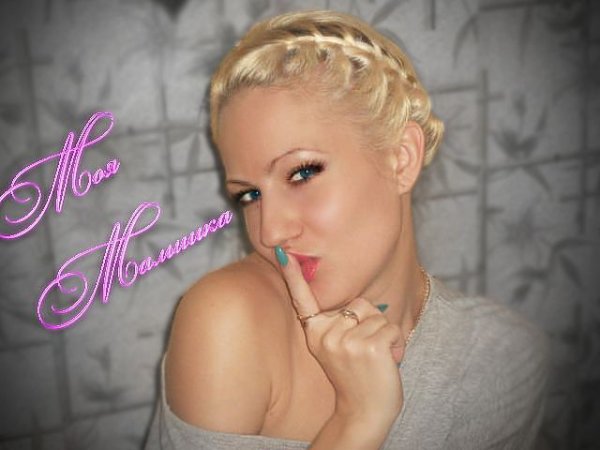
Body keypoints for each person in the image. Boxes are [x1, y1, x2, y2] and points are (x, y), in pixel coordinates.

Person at [144, 9, 549, 450]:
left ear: (401, 158)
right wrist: (358, 419)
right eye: (250, 195)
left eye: (302, 173)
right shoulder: (229, 322)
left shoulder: (500, 360)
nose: (270, 232)